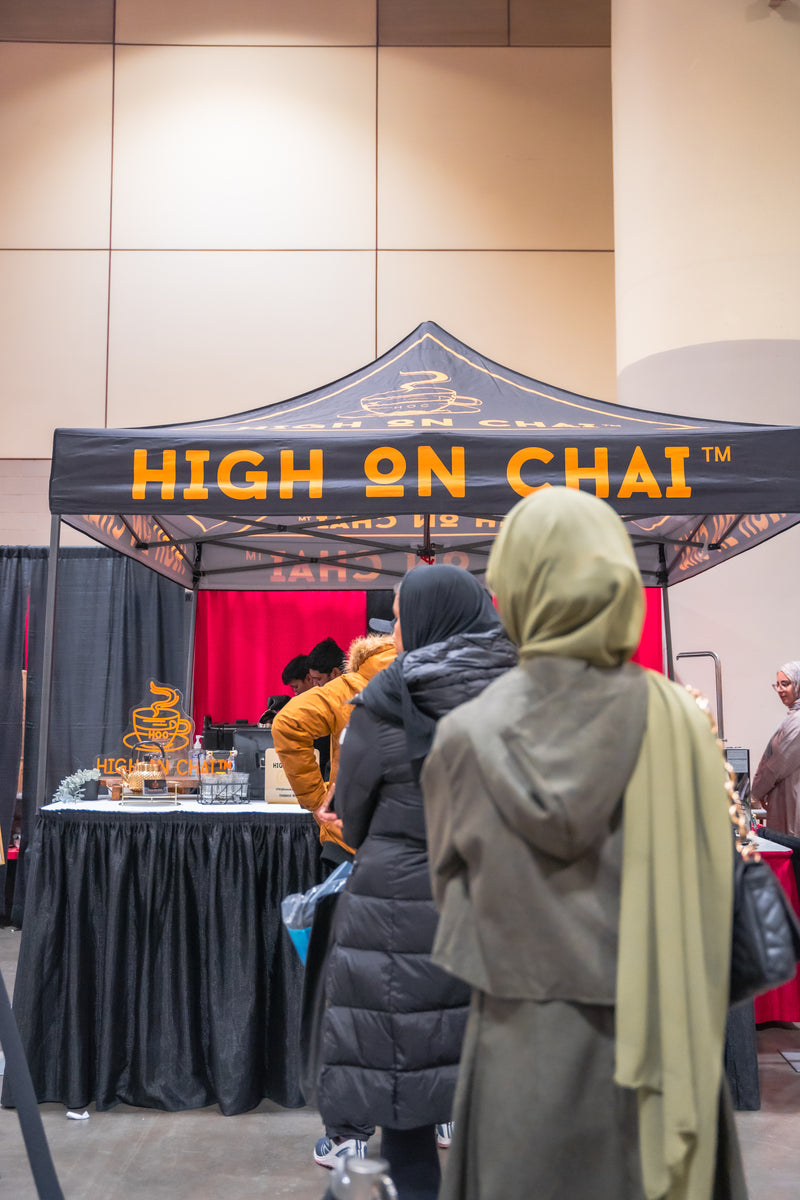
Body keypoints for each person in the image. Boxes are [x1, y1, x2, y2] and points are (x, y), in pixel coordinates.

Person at [421, 488, 746, 1200]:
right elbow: (715, 883)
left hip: (520, 1058)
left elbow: (451, 901)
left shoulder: (463, 739)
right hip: (668, 1053)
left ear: (513, 591)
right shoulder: (681, 724)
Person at [316, 565, 518, 1200]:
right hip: (508, 906)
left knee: (404, 1097)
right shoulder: (529, 689)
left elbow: (352, 811)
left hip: (401, 908)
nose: (395, 629)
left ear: (425, 618)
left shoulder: (386, 698)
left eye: (400, 615)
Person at [752, 661, 800, 835]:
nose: (779, 690)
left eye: (785, 684)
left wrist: (754, 795)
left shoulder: (798, 721)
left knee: (792, 850)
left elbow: (777, 764)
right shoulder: (792, 717)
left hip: (793, 800)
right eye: (777, 685)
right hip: (786, 798)